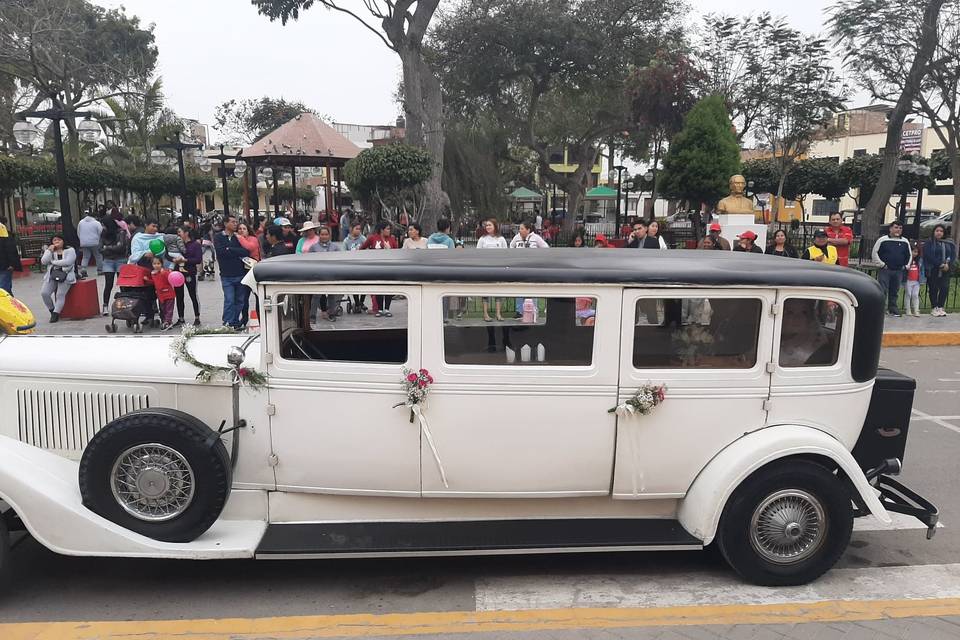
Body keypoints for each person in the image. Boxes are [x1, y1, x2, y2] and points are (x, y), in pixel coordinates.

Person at [213, 215, 250, 330]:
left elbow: (245, 251)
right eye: (233, 222)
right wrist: (233, 251)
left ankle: (235, 321)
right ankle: (227, 322)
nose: (235, 224)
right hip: (226, 274)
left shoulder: (238, 237)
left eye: (236, 222)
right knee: (229, 299)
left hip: (239, 272)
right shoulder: (218, 237)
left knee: (240, 300)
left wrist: (230, 249)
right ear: (225, 224)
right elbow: (221, 252)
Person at [872, 220, 912, 317]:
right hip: (885, 270)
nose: (898, 229)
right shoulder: (882, 240)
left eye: (900, 228)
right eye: (896, 227)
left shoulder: (905, 241)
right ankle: (881, 308)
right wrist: (881, 264)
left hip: (898, 270)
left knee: (895, 290)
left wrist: (906, 266)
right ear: (890, 229)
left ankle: (893, 308)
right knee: (883, 289)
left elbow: (909, 255)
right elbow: (875, 253)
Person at [361, 221, 398, 317]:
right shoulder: (373, 238)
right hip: (376, 267)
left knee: (389, 288)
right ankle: (380, 309)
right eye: (387, 229)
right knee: (378, 288)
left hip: (389, 268)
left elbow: (397, 253)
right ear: (382, 230)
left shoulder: (392, 239)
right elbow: (362, 248)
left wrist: (390, 250)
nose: (389, 231)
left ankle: (387, 308)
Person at [40, 234, 77, 323]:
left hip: (66, 275)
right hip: (52, 275)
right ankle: (52, 310)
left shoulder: (70, 250)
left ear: (63, 241)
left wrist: (53, 262)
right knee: (44, 293)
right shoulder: (51, 251)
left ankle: (56, 314)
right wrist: (49, 250)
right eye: (54, 240)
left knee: (60, 294)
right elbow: (44, 261)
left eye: (59, 240)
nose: (57, 242)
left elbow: (68, 262)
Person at [922, 223, 956, 317]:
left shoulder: (949, 242)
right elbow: (929, 256)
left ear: (944, 233)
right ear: (934, 232)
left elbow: (952, 254)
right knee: (933, 288)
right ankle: (934, 307)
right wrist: (940, 264)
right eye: (937, 231)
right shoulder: (929, 242)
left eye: (941, 231)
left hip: (946, 269)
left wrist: (947, 264)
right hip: (933, 269)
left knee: (944, 288)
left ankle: (940, 307)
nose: (939, 233)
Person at [99, 217, 129, 315]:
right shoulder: (103, 234)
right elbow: (100, 248)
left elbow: (121, 247)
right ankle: (105, 306)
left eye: (103, 224)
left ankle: (124, 304)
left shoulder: (121, 232)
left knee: (122, 284)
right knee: (108, 284)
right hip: (108, 260)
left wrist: (107, 248)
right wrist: (111, 248)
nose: (102, 227)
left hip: (121, 259)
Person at [174, 226, 202, 326]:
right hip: (177, 273)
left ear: (186, 233)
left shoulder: (195, 245)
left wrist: (185, 260)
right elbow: (169, 255)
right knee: (179, 295)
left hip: (190, 272)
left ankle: (197, 316)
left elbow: (198, 259)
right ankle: (181, 317)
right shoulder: (177, 244)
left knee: (193, 294)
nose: (178, 234)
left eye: (180, 232)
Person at [150, 256, 176, 331]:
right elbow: (154, 282)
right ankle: (164, 321)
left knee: (169, 309)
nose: (156, 265)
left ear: (161, 264)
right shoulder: (153, 273)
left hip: (169, 294)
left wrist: (165, 273)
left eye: (158, 263)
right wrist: (147, 280)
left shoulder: (165, 272)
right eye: (154, 264)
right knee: (162, 309)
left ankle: (168, 321)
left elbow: (170, 279)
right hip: (160, 295)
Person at [77, 209, 103, 277]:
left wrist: (82, 239)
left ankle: (83, 269)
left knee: (85, 257)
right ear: (95, 217)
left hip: (84, 242)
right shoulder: (96, 223)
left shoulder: (81, 222)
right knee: (98, 256)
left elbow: (78, 232)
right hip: (95, 242)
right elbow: (100, 231)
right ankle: (100, 270)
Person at [0, 216, 22, 295]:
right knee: (5, 290)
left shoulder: (7, 236)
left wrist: (12, 264)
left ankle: (12, 305)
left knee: (4, 289)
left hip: (5, 266)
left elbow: (11, 251)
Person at [902, 243, 924, 317]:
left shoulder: (919, 261)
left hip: (916, 281)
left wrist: (922, 280)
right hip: (908, 280)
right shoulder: (906, 260)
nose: (915, 253)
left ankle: (916, 310)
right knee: (908, 294)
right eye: (913, 251)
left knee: (915, 295)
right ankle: (908, 310)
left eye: (916, 252)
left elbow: (921, 271)